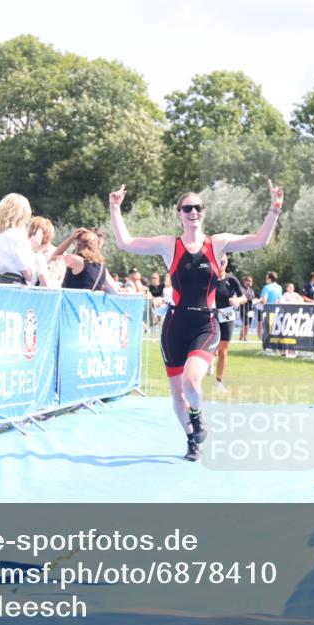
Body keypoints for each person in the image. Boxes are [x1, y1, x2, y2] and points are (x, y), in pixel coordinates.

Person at [110, 180, 284, 462]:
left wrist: (275, 209)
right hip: (174, 327)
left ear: (204, 212)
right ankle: (192, 438)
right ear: (178, 213)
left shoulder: (218, 243)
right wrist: (115, 207)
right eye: (187, 208)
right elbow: (125, 243)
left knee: (192, 382)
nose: (193, 212)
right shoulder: (169, 245)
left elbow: (259, 240)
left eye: (198, 208)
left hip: (206, 324)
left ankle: (197, 416)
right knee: (177, 395)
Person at [0, 193, 39, 285]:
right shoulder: (18, 237)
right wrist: (31, 250)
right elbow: (28, 274)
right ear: (23, 215)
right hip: (12, 285)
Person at [213, 255, 245, 392]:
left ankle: (218, 381)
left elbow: (244, 296)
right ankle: (208, 363)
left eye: (223, 262)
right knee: (210, 347)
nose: (220, 264)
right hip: (211, 313)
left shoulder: (231, 280)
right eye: (218, 261)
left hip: (227, 313)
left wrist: (238, 301)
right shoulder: (209, 278)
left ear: (226, 263)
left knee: (223, 351)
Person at [56, 228, 121, 292]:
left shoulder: (76, 260)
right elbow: (115, 291)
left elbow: (54, 257)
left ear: (78, 245)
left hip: (70, 301)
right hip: (88, 302)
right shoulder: (101, 267)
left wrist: (71, 238)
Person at [256, 271, 283, 339]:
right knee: (273, 329)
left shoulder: (267, 287)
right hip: (276, 311)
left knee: (265, 329)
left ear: (270, 278)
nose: (266, 279)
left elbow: (264, 300)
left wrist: (257, 301)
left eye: (266, 278)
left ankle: (265, 344)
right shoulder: (279, 287)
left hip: (267, 310)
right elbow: (280, 300)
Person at [239, 274, 256, 341]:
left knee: (249, 325)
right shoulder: (241, 289)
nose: (250, 282)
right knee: (245, 324)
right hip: (243, 309)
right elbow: (244, 298)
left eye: (251, 281)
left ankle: (245, 337)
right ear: (245, 282)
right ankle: (240, 339)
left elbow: (252, 298)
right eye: (248, 281)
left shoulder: (251, 291)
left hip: (251, 310)